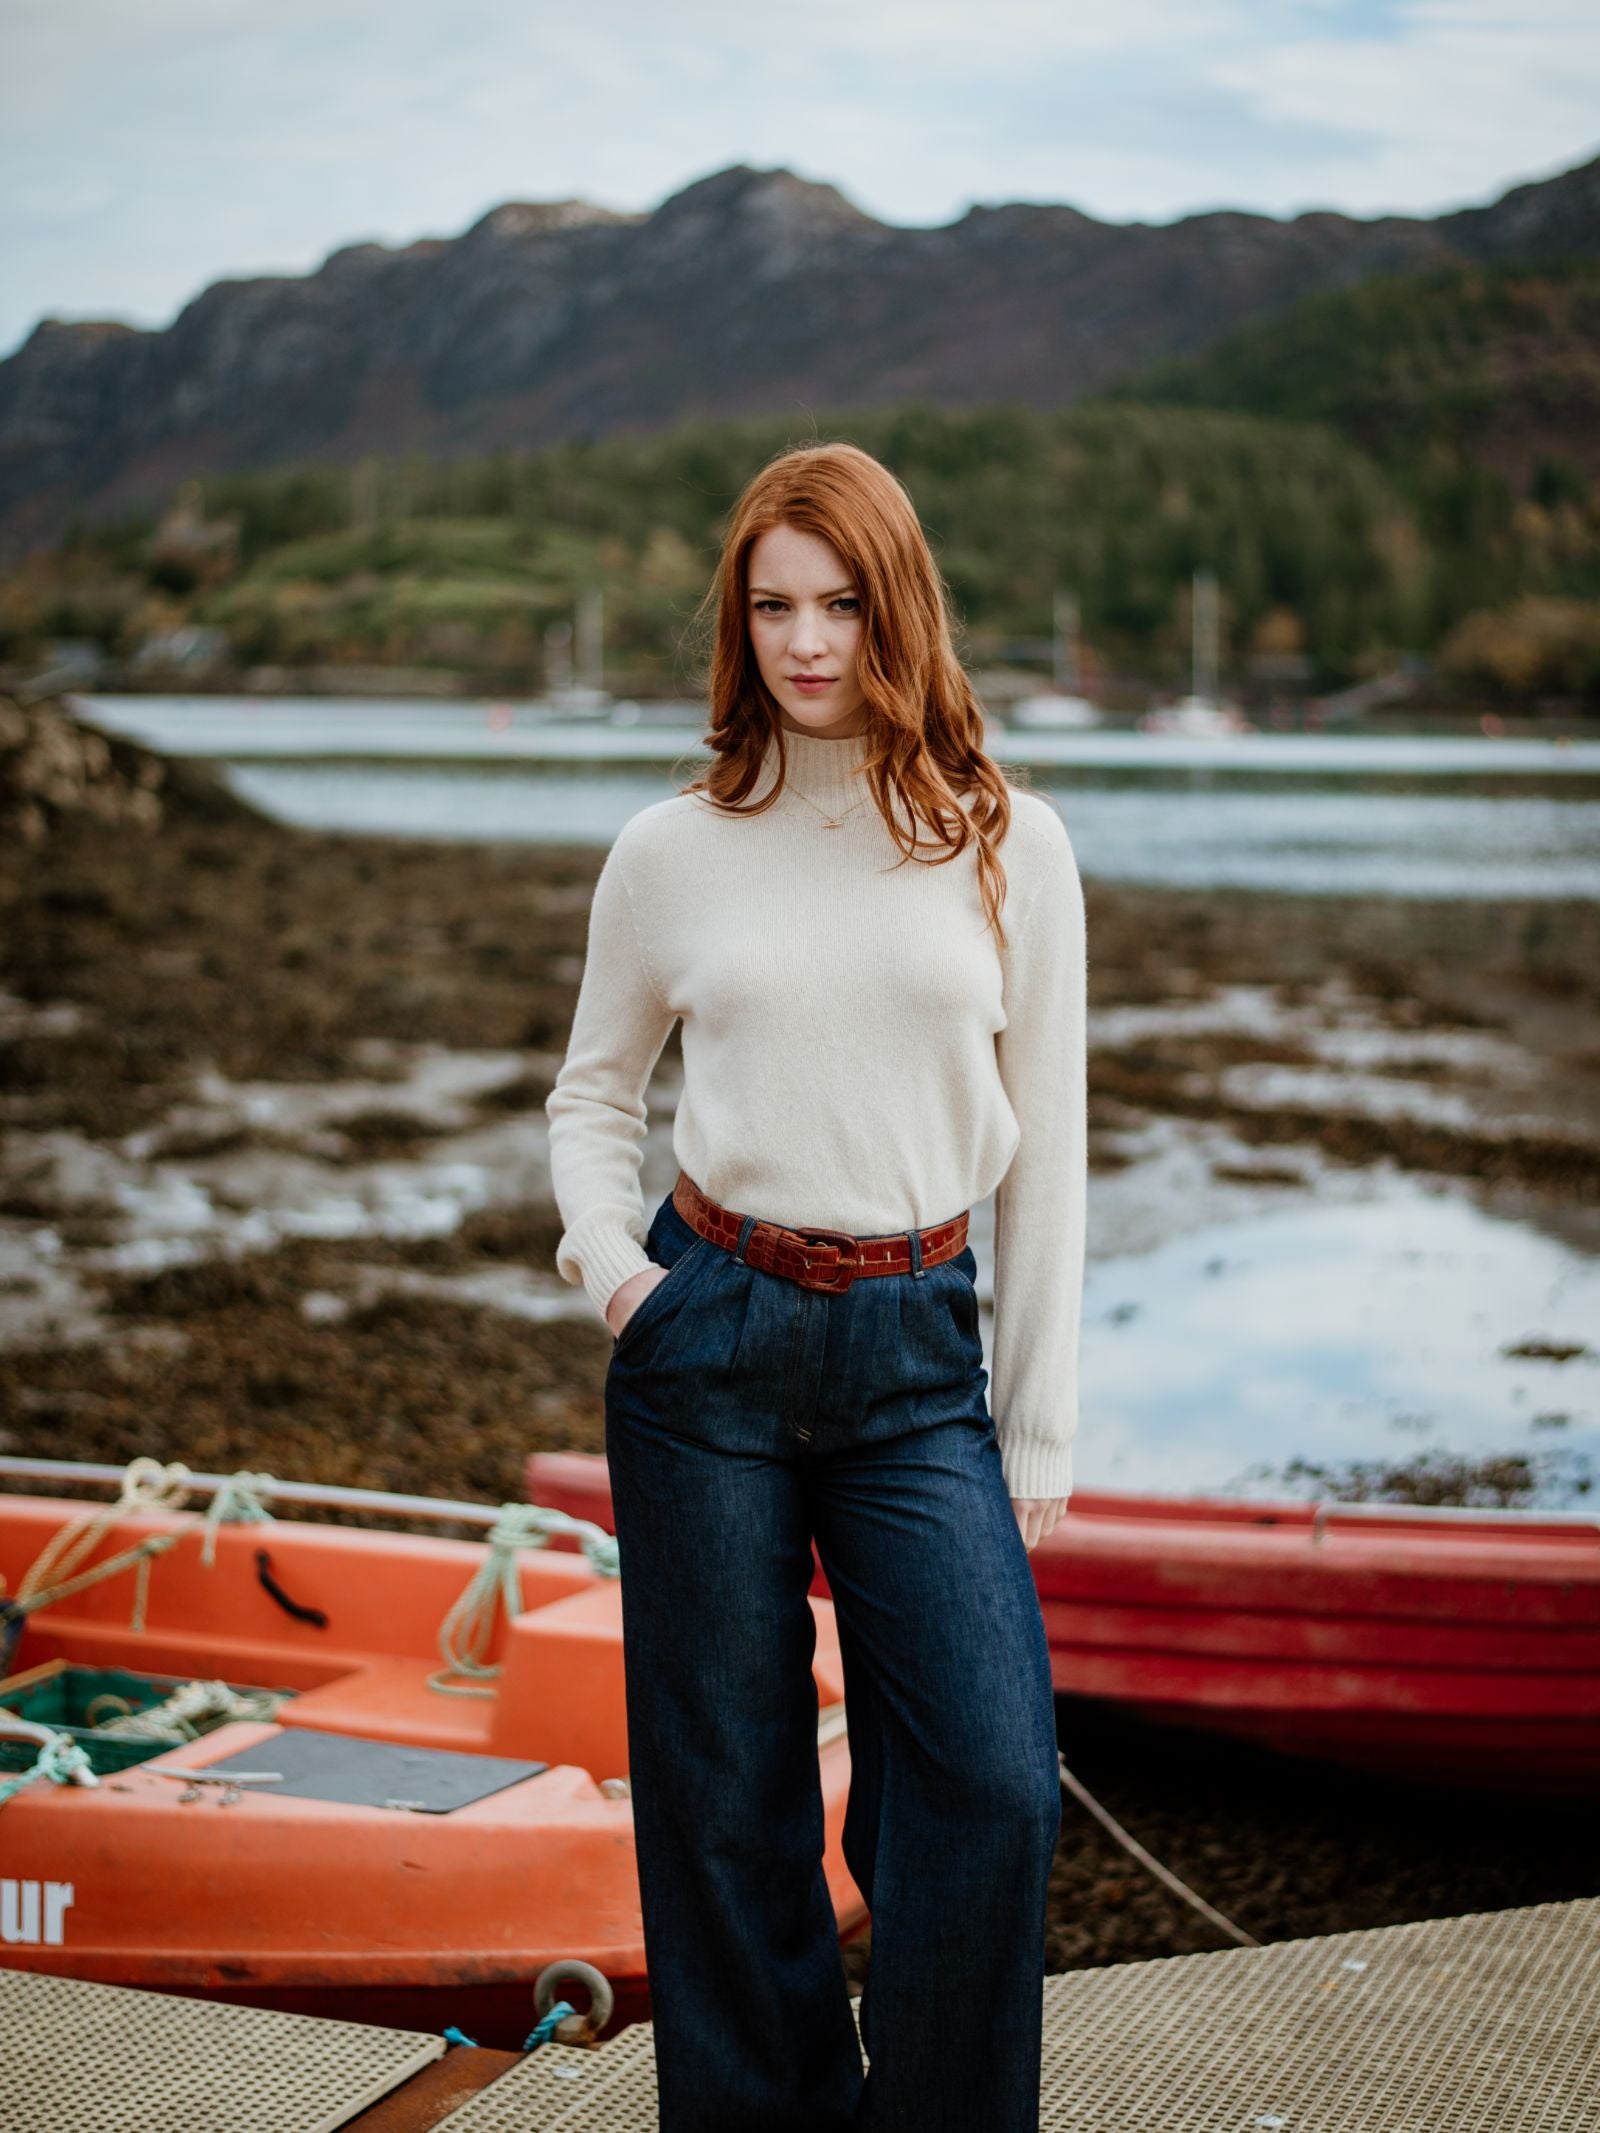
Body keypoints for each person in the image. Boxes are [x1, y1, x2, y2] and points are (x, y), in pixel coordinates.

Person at [545, 440, 1088, 2132]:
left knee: (993, 1782)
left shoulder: (1009, 839)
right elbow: (591, 1091)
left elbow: (1051, 1145)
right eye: (772, 605)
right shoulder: (670, 846)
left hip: (920, 1357)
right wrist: (622, 1280)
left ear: (894, 604)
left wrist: (1036, 1419)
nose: (805, 640)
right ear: (738, 620)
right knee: (724, 1799)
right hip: (708, 1334)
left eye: (839, 602)